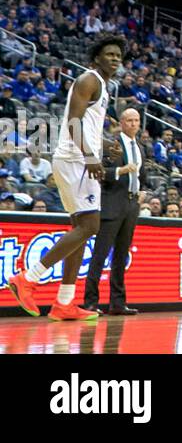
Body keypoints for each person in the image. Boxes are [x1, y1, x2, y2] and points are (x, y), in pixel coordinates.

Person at [6, 34, 123, 321]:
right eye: (109, 54)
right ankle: (27, 279)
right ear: (97, 58)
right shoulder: (89, 79)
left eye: (118, 56)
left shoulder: (103, 85)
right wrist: (91, 156)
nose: (115, 59)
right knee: (90, 226)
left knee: (81, 229)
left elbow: (86, 124)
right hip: (75, 160)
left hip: (76, 158)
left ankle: (64, 303)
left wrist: (104, 145)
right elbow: (72, 122)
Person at [84, 107, 144, 314]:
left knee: (121, 256)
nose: (133, 124)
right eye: (129, 120)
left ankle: (117, 303)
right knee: (100, 254)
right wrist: (121, 170)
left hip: (131, 205)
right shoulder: (111, 145)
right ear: (121, 123)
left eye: (136, 120)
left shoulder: (140, 147)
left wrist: (141, 192)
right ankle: (90, 302)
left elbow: (140, 176)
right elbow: (98, 172)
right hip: (112, 204)